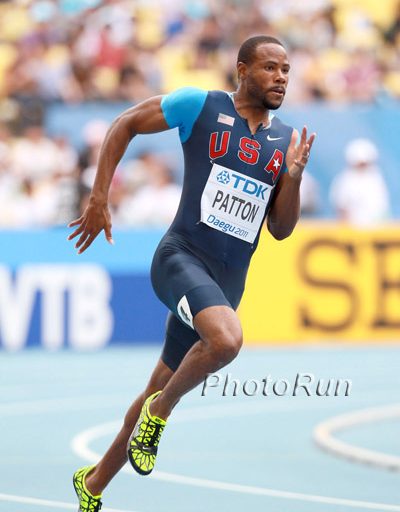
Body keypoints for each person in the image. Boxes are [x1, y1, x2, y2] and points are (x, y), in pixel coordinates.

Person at [68, 35, 315, 512]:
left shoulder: (286, 141)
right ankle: (159, 415)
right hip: (179, 258)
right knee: (226, 340)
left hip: (225, 285)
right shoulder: (198, 106)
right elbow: (124, 124)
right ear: (242, 70)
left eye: (286, 69)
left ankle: (93, 484)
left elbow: (281, 229)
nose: (281, 77)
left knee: (158, 382)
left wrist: (295, 177)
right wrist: (99, 197)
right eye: (270, 67)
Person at [329, 137, 390, 226]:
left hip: (376, 229)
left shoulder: (376, 179)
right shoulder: (345, 181)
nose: (363, 166)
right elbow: (341, 208)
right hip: (353, 230)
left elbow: (382, 207)